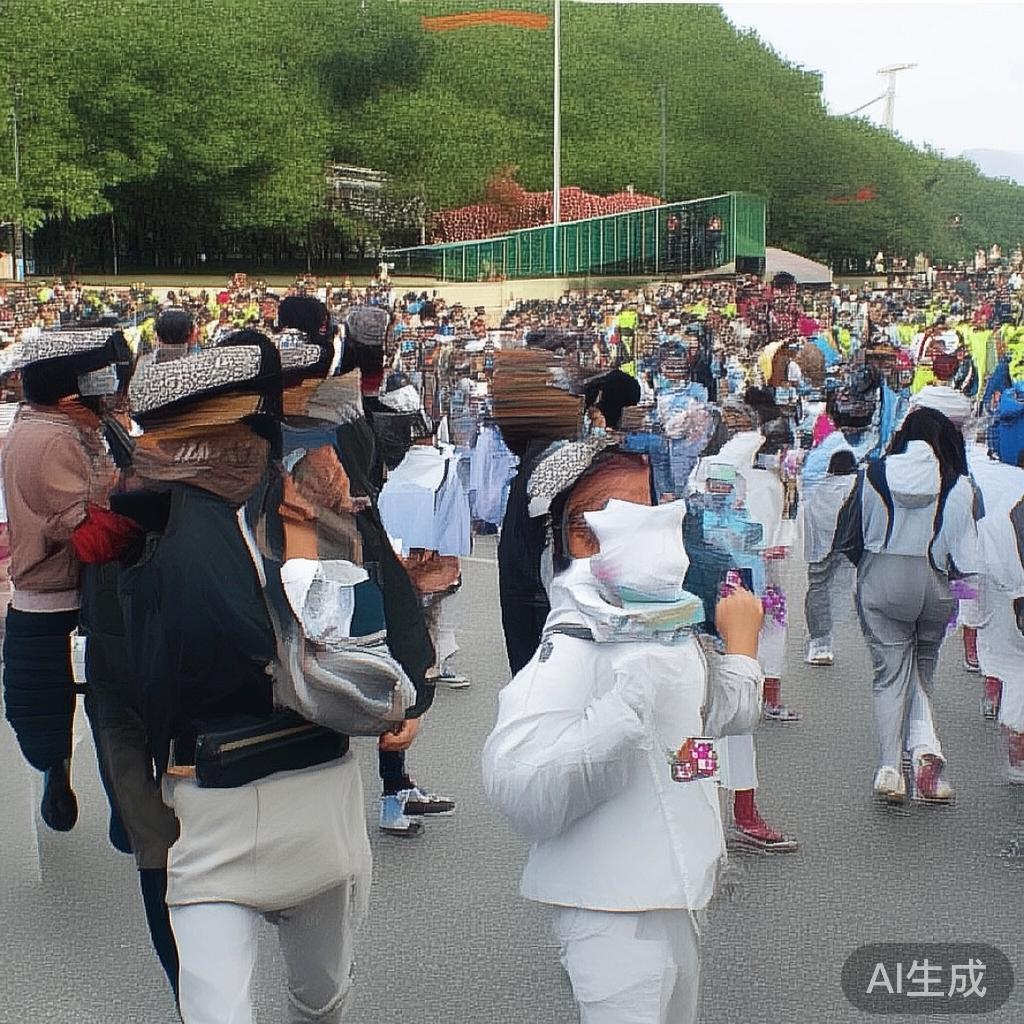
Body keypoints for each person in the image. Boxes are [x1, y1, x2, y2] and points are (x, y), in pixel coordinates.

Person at [120, 335, 395, 1023]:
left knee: (323, 998)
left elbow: (362, 644)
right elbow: (125, 683)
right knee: (225, 1007)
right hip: (209, 799)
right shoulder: (143, 523)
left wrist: (311, 541)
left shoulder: (308, 496)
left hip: (314, 792)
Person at [482, 444, 764, 1024]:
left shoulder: (664, 629)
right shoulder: (574, 645)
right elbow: (521, 788)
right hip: (607, 906)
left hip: (683, 889)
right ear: (581, 539)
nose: (658, 522)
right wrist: (622, 715)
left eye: (654, 502)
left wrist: (741, 648)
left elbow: (707, 718)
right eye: (629, 511)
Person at [1, 329, 131, 832]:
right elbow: (86, 530)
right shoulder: (51, 436)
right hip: (59, 591)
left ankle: (114, 797)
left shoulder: (63, 426)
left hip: (64, 589)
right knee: (102, 704)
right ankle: (108, 798)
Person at [837, 407, 979, 803]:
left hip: (882, 575)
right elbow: (966, 559)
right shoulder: (957, 482)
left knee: (890, 674)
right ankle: (924, 749)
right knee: (923, 671)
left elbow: (854, 533)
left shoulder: (874, 473)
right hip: (933, 582)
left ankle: (889, 767)